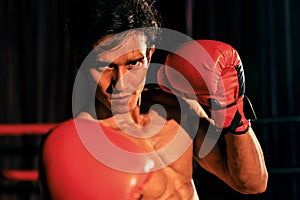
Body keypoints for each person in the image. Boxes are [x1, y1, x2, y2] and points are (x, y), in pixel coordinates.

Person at [38, 0, 268, 199]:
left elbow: (251, 183)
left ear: (149, 55)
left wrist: (231, 110)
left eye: (133, 63)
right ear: (81, 63)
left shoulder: (176, 110)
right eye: (104, 66)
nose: (121, 82)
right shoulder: (81, 148)